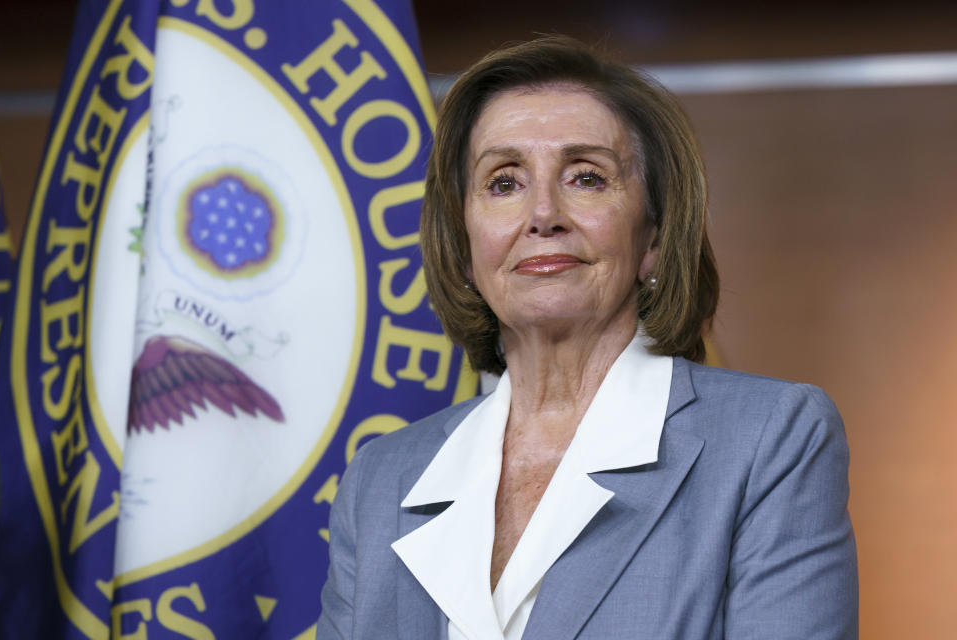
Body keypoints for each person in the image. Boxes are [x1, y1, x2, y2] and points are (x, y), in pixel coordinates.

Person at [315, 37, 857, 639]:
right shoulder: (381, 478)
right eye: (503, 182)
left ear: (653, 237)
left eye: (587, 177)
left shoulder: (770, 439)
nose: (543, 213)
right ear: (464, 247)